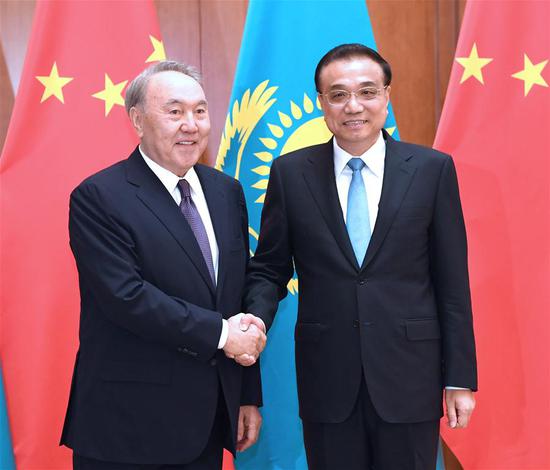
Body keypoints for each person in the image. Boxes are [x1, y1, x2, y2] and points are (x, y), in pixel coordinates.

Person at [243, 44, 477, 470]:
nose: (354, 106)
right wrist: (255, 317)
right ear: (322, 104)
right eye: (338, 95)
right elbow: (270, 268)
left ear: (386, 97)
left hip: (410, 377)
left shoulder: (431, 170)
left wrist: (458, 379)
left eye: (367, 92)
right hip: (328, 379)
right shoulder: (290, 174)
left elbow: (452, 284)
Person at [60, 61, 266, 470]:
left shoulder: (226, 192)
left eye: (200, 111)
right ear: (137, 120)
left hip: (208, 421)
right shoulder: (99, 196)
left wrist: (245, 394)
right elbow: (126, 298)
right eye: (174, 112)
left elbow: (236, 289)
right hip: (127, 428)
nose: (191, 124)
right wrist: (224, 335)